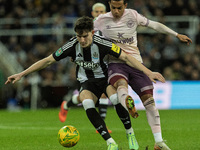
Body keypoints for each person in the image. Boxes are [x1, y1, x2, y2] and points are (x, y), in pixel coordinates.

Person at [5, 16, 165, 150]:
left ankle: (130, 133)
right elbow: (47, 61)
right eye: (78, 36)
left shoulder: (103, 43)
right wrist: (22, 73)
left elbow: (126, 57)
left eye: (85, 36)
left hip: (105, 79)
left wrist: (148, 72)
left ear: (92, 33)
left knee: (116, 99)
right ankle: (111, 143)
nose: (81, 40)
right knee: (87, 103)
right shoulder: (71, 45)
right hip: (86, 81)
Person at [94, 0, 192, 149]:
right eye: (113, 8)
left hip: (136, 64)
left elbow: (155, 25)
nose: (116, 11)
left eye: (119, 8)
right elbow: (84, 34)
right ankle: (127, 100)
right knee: (120, 84)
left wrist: (176, 34)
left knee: (150, 102)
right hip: (115, 63)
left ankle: (158, 142)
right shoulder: (101, 20)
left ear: (125, 6)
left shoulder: (133, 15)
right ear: (109, 5)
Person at [59, 2, 112, 133]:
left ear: (106, 13)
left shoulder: (109, 28)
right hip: (86, 72)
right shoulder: (87, 29)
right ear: (92, 13)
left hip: (102, 67)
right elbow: (76, 43)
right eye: (97, 12)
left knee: (103, 95)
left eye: (102, 12)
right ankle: (66, 105)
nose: (99, 14)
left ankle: (67, 105)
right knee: (86, 99)